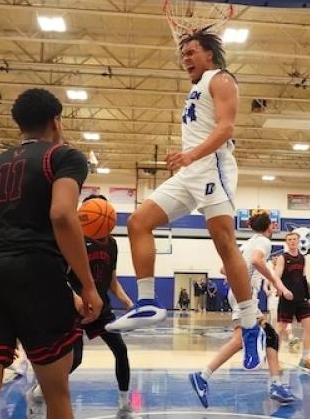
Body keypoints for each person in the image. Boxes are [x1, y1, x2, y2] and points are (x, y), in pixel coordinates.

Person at [106, 29, 265, 370]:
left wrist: (191, 155)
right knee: (138, 222)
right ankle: (147, 302)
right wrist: (188, 159)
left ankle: (251, 326)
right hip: (190, 172)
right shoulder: (197, 87)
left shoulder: (221, 79)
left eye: (191, 52)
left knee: (225, 243)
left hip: (212, 168)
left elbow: (226, 128)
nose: (186, 59)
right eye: (183, 54)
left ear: (209, 54)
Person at [0, 88, 103, 419]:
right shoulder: (64, 156)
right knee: (57, 398)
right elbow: (62, 214)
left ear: (19, 124)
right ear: (56, 121)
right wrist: (88, 285)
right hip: (36, 275)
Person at [27, 194, 135, 419]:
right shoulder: (73, 240)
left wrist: (127, 301)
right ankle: (37, 393)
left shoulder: (112, 244)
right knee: (74, 359)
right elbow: (59, 275)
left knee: (121, 350)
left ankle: (125, 404)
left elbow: (112, 281)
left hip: (101, 308)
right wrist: (75, 297)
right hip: (74, 306)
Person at [189, 211, 295, 408]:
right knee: (240, 340)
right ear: (269, 226)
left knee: (270, 336)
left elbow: (224, 269)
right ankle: (202, 376)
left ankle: (276, 385)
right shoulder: (264, 241)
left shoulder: (246, 243)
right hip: (245, 295)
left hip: (240, 293)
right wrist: (276, 283)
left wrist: (237, 277)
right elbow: (256, 260)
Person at [274, 232, 310, 372]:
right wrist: (283, 290)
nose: (292, 241)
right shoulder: (283, 258)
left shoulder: (302, 258)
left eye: (294, 239)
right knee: (281, 328)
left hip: (301, 298)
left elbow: (304, 279)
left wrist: (309, 298)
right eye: (289, 240)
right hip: (287, 298)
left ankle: (304, 359)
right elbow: (276, 277)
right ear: (287, 242)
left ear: (299, 241)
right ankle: (273, 359)